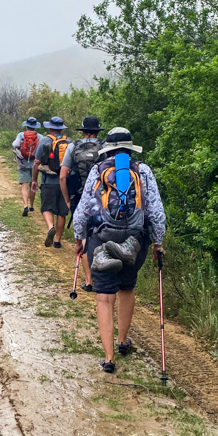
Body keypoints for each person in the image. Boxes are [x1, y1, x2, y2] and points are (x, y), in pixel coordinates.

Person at [72, 127, 166, 373]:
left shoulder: (98, 171)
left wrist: (79, 237)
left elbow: (84, 208)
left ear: (109, 148)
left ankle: (109, 357)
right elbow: (155, 210)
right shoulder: (143, 171)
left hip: (102, 237)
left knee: (104, 296)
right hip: (135, 239)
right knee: (126, 287)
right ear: (130, 148)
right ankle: (123, 341)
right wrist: (157, 242)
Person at [60, 115, 105, 291]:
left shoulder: (73, 146)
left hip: (80, 197)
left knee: (85, 236)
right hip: (103, 198)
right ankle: (103, 274)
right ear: (97, 131)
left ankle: (89, 280)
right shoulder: (105, 147)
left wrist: (67, 199)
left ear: (83, 131)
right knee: (100, 234)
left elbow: (63, 176)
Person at [31, 117, 70, 248]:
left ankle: (50, 227)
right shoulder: (68, 141)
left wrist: (34, 180)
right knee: (62, 212)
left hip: (48, 181)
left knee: (47, 207)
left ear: (50, 127)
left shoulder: (44, 140)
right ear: (61, 128)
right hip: (65, 183)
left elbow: (36, 162)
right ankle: (57, 240)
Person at [12, 117, 41, 216]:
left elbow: (14, 144)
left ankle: (25, 206)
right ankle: (32, 206)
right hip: (35, 164)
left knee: (24, 186)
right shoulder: (39, 136)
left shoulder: (21, 135)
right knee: (33, 184)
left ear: (27, 125)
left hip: (23, 163)